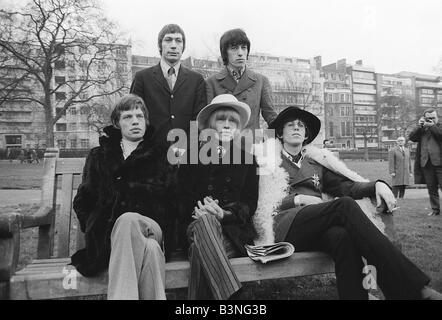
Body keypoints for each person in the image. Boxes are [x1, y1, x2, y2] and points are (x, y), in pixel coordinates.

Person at [252, 106, 441, 300]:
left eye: (301, 125)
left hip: (316, 223)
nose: (296, 128)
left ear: (306, 135)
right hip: (283, 226)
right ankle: (414, 289)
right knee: (344, 206)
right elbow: (259, 199)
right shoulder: (267, 159)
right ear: (280, 134)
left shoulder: (316, 162)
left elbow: (347, 187)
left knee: (341, 236)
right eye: (290, 125)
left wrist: (377, 185)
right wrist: (297, 199)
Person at [71, 94, 178, 300]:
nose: (135, 120)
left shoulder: (162, 154)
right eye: (128, 116)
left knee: (129, 220)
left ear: (146, 121)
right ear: (117, 123)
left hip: (152, 229)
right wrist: (94, 226)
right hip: (110, 239)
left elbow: (173, 201)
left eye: (140, 116)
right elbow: (83, 200)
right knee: (151, 251)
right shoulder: (99, 155)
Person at [178, 94, 259, 300]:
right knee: (206, 220)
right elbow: (180, 196)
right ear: (211, 124)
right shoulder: (192, 155)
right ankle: (233, 297)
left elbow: (250, 203)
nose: (227, 125)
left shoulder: (248, 159)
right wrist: (198, 210)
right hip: (195, 225)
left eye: (232, 121)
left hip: (232, 232)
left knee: (199, 252)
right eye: (221, 119)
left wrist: (224, 213)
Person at [130, 23, 207, 148]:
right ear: (160, 45)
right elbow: (134, 116)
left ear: (183, 47)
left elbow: (198, 121)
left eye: (178, 41)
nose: (173, 45)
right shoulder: (142, 78)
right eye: (168, 40)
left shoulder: (196, 80)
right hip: (150, 154)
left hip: (185, 155)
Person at [206, 28, 277, 133]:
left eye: (244, 48)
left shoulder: (261, 81)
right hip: (223, 146)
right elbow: (206, 120)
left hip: (252, 146)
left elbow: (271, 116)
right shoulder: (211, 83)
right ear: (225, 52)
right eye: (234, 48)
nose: (240, 53)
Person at [409, 108, 442, 216]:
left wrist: (432, 126)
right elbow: (412, 137)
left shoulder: (439, 127)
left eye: (433, 118)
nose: (431, 120)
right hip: (426, 164)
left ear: (437, 117)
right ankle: (435, 210)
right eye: (428, 118)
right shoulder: (422, 129)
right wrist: (419, 126)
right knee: (432, 189)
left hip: (440, 163)